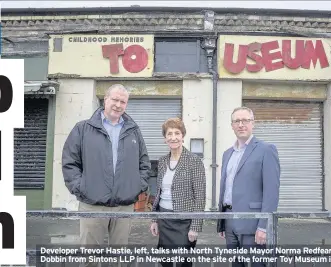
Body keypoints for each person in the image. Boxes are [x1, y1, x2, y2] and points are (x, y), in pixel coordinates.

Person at [62, 84, 151, 265]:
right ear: (105, 100)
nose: (118, 105)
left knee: (119, 259)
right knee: (89, 259)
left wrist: (136, 187)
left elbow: (144, 163)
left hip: (123, 206)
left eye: (123, 102)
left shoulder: (133, 131)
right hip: (92, 205)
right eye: (115, 100)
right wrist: (82, 188)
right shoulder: (82, 129)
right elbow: (70, 163)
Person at [217, 107, 280, 267]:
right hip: (229, 220)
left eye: (245, 120)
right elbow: (226, 189)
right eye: (237, 121)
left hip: (252, 223)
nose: (241, 124)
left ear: (253, 123)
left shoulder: (266, 150)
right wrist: (222, 222)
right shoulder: (227, 154)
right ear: (232, 125)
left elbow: (271, 192)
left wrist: (264, 226)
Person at [150, 118, 206, 267]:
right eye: (169, 134)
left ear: (183, 136)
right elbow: (159, 192)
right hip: (164, 218)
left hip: (184, 222)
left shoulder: (194, 161)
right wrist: (154, 219)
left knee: (183, 262)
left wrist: (195, 227)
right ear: (165, 138)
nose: (173, 137)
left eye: (177, 133)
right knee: (165, 261)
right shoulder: (162, 161)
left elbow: (200, 197)